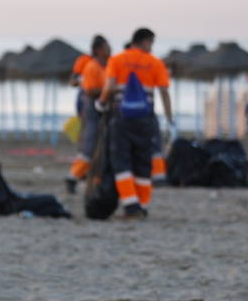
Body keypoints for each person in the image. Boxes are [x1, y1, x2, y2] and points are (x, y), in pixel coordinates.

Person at [98, 27, 174, 218]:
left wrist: (101, 103)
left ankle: (131, 205)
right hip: (145, 118)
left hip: (121, 117)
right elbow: (164, 91)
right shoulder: (155, 63)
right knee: (143, 163)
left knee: (121, 161)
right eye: (151, 44)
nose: (152, 48)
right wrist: (169, 117)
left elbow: (109, 86)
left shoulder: (117, 60)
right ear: (146, 41)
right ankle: (143, 205)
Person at [66, 36, 110, 193]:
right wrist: (84, 81)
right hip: (88, 103)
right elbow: (73, 81)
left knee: (99, 143)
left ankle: (89, 175)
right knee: (89, 143)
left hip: (101, 105)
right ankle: (75, 176)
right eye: (106, 46)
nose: (109, 49)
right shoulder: (87, 62)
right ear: (98, 49)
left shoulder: (107, 63)